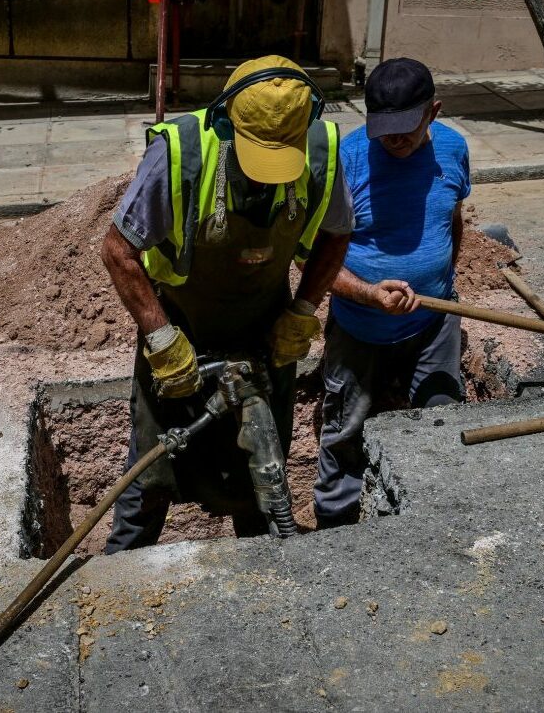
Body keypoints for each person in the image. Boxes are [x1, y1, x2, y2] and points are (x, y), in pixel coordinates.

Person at [101, 55, 353, 553]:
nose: (268, 178)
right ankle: (119, 565)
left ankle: (260, 565)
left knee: (262, 474)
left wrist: (303, 309)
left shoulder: (321, 150)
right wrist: (160, 336)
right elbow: (117, 251)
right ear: (225, 123)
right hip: (182, 335)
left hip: (265, 334)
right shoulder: (181, 155)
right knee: (152, 471)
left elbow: (337, 234)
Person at [314, 57, 470, 529]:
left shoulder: (453, 149)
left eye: (405, 129)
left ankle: (436, 521)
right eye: (383, 130)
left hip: (434, 322)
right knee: (345, 432)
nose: (393, 140)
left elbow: (453, 219)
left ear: (433, 112)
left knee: (443, 422)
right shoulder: (347, 159)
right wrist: (367, 294)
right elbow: (313, 260)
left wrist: (439, 279)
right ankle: (334, 529)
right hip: (359, 327)